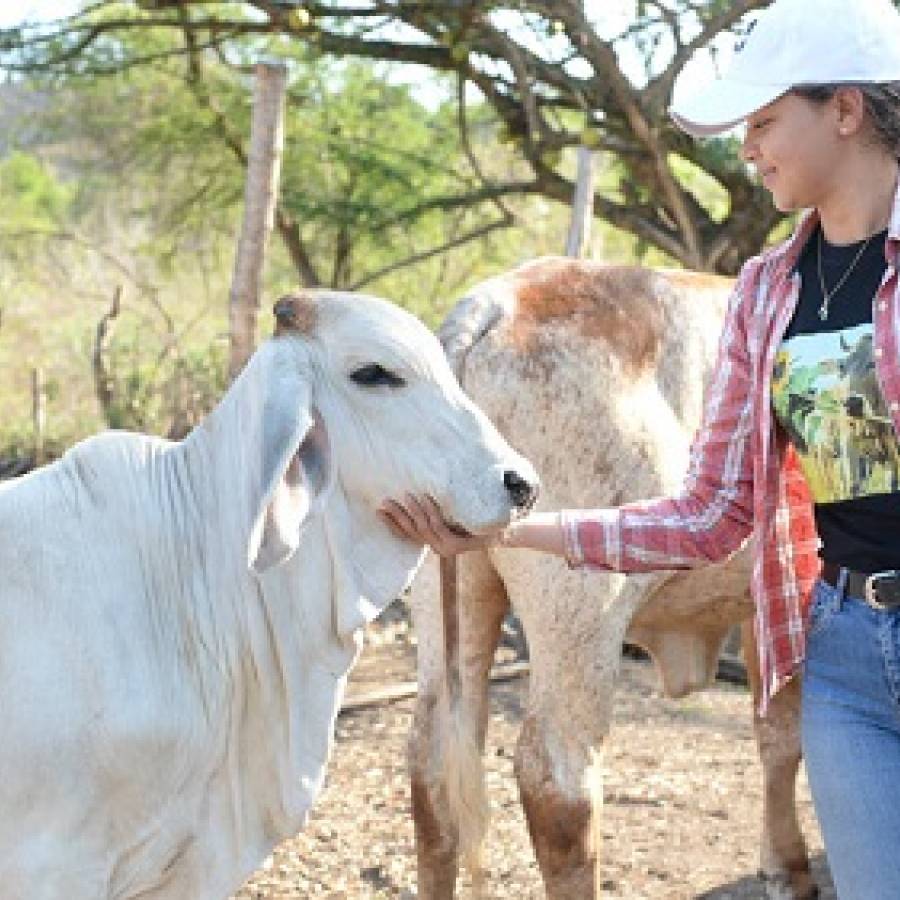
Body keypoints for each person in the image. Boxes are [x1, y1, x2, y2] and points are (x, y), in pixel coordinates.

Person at [378, 0, 900, 896]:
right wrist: (501, 529)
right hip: (846, 658)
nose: (748, 149)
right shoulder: (766, 292)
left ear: (845, 110)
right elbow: (712, 514)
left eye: (765, 121)